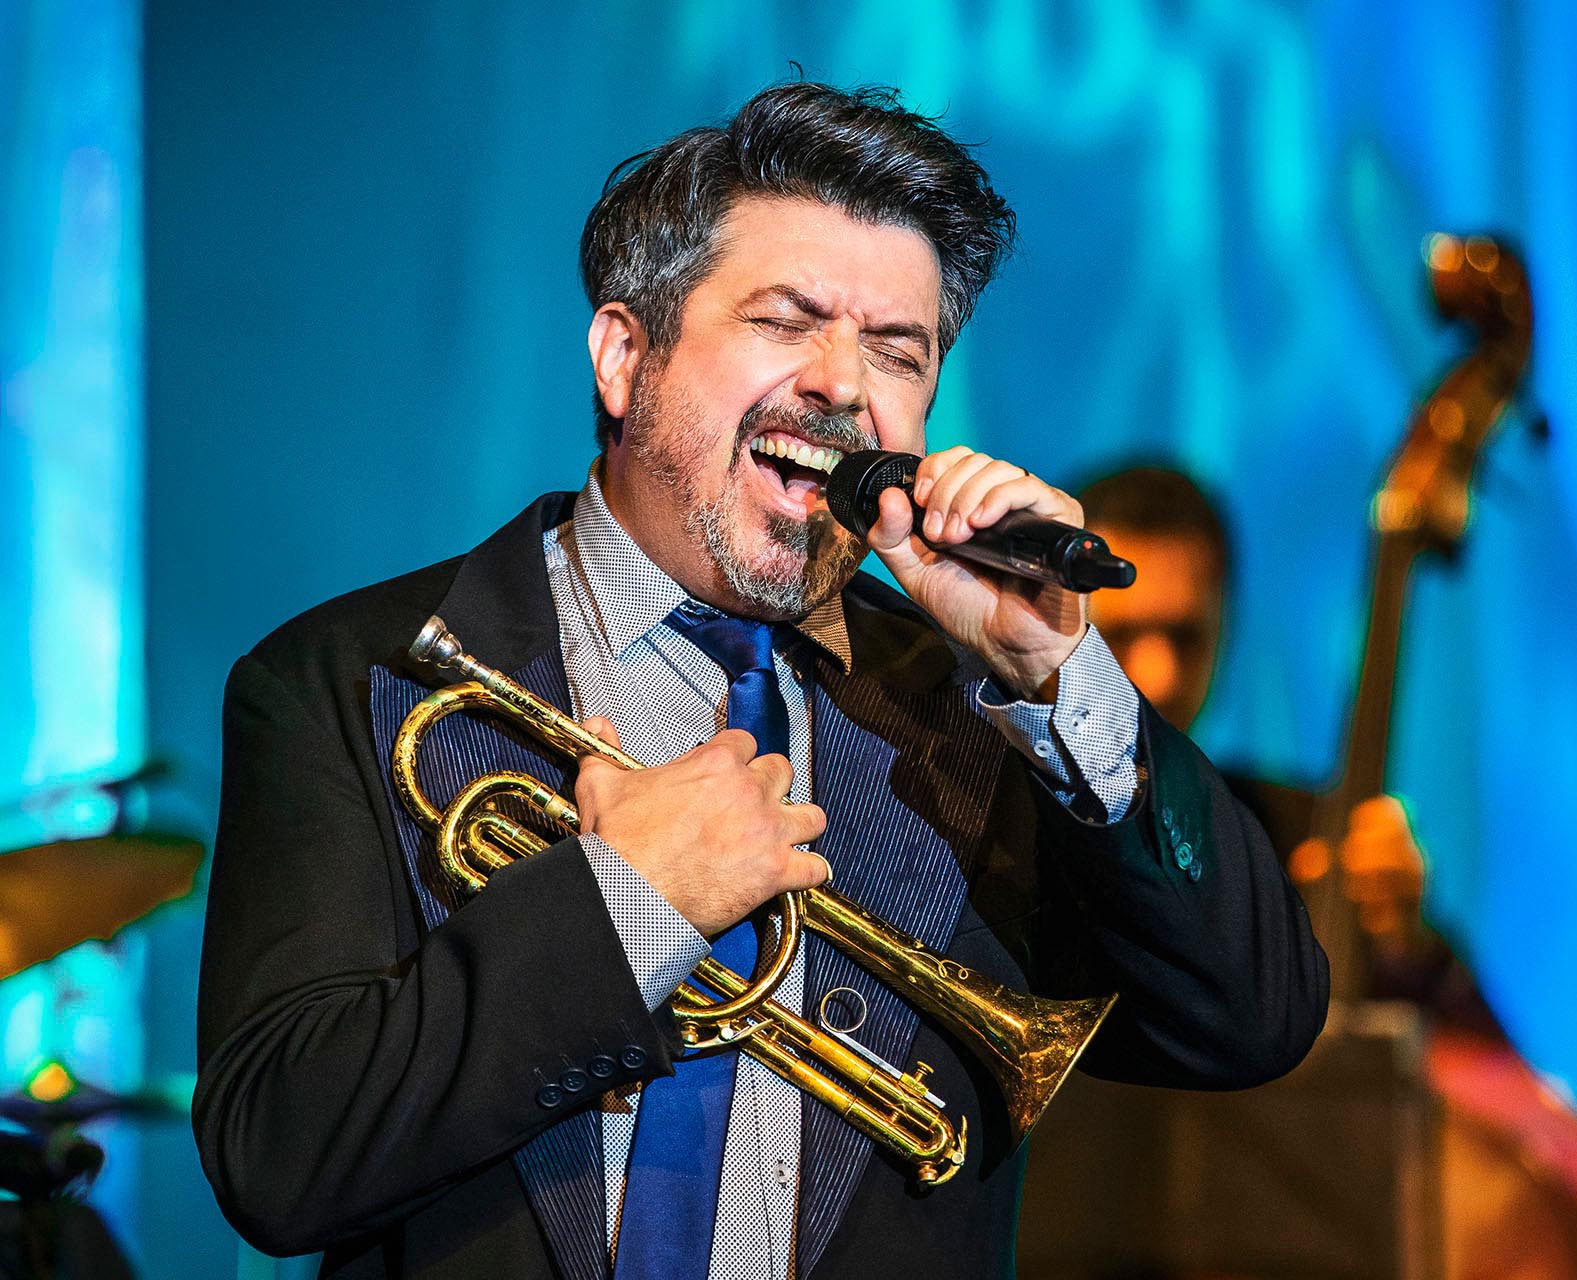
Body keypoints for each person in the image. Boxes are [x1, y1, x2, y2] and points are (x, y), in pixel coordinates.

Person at [192, 84, 1328, 1280]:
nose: (842, 383)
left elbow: (1249, 1020)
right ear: (624, 355)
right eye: (788, 320)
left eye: (897, 350)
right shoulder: (344, 676)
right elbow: (278, 1155)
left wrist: (1058, 677)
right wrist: (629, 903)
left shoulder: (978, 718)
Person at [1077, 464, 1502, 1033]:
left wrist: (1410, 948)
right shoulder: (1001, 826)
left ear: (1225, 624)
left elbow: (1477, 1061)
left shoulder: (1304, 837)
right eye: (1122, 634)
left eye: (1186, 635)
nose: (1162, 677)